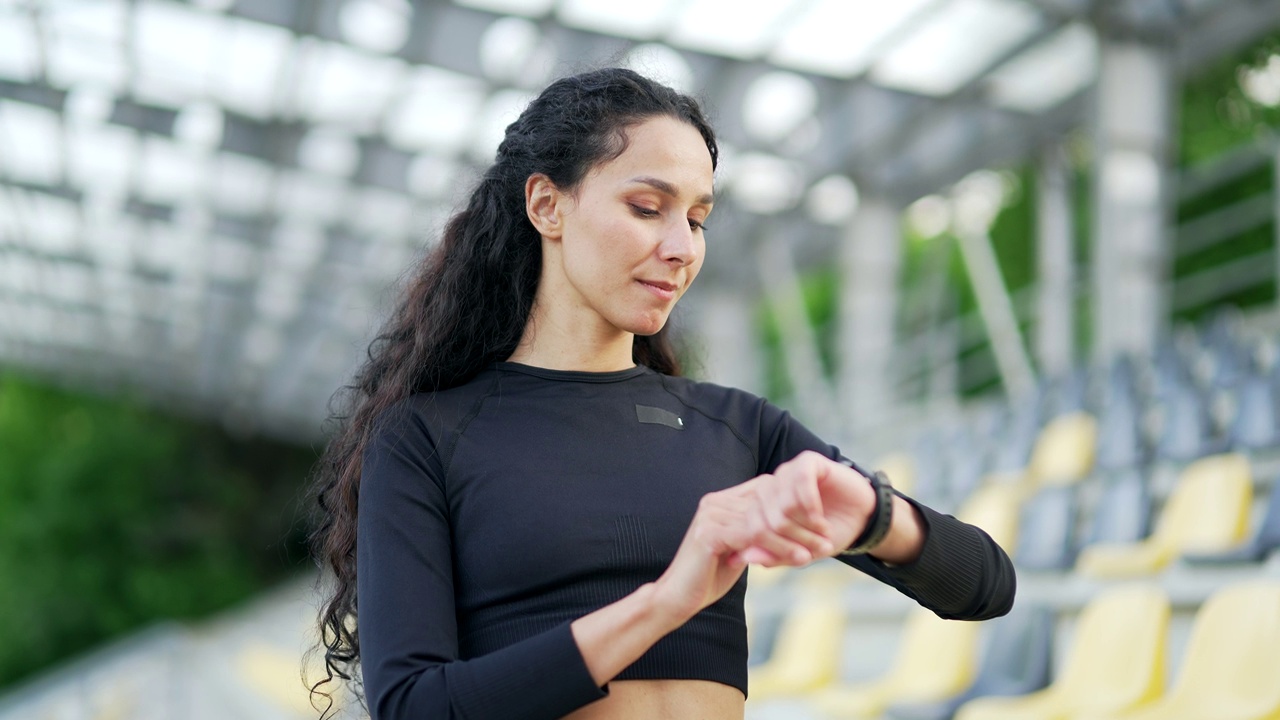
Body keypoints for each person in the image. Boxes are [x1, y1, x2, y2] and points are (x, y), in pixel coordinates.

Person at [307, 67, 1016, 720]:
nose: (682, 247)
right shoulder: (430, 435)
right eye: (648, 207)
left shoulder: (736, 428)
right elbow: (413, 707)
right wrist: (664, 604)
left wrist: (875, 513)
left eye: (698, 219)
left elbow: (987, 585)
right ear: (548, 206)